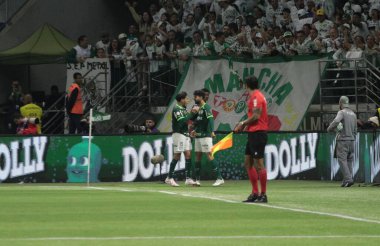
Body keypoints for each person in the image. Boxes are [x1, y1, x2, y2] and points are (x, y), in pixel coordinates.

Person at [234, 76, 268, 203]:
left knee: (259, 164)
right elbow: (253, 117)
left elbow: (256, 116)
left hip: (258, 133)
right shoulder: (255, 96)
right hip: (253, 133)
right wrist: (245, 126)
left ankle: (263, 194)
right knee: (248, 162)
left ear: (246, 85)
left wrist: (242, 123)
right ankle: (255, 192)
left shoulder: (256, 97)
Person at [191, 90, 224, 187]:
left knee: (209, 155)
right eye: (194, 96)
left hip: (205, 136)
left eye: (196, 96)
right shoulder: (197, 108)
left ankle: (220, 178)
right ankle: (197, 180)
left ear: (201, 97)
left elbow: (210, 119)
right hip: (197, 135)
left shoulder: (206, 107)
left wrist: (212, 131)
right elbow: (196, 121)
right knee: (197, 156)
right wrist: (193, 126)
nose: (195, 98)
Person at [165, 92, 198, 187]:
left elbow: (189, 119)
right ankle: (169, 178)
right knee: (177, 155)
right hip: (178, 134)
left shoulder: (183, 109)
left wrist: (195, 113)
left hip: (185, 134)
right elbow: (183, 121)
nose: (187, 100)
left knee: (188, 154)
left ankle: (188, 178)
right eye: (186, 99)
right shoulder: (176, 109)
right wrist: (192, 112)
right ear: (181, 100)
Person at [327, 96, 357, 187]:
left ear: (340, 104)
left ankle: (348, 179)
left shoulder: (341, 112)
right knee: (349, 161)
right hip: (351, 140)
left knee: (342, 160)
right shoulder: (353, 114)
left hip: (343, 140)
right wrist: (352, 138)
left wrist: (329, 128)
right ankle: (346, 181)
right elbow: (355, 130)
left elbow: (336, 121)